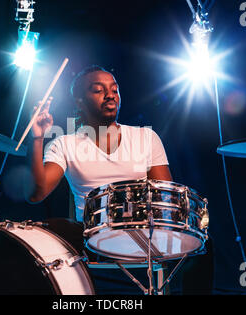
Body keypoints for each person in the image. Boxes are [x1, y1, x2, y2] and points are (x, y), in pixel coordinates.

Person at [26, 65, 213, 295]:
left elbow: (165, 198)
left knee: (203, 242)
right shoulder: (64, 143)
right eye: (98, 90)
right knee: (49, 231)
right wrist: (36, 138)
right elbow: (38, 192)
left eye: (114, 89)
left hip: (144, 231)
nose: (110, 94)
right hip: (89, 236)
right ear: (79, 101)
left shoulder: (145, 137)